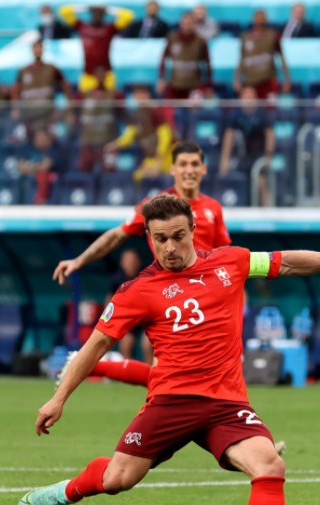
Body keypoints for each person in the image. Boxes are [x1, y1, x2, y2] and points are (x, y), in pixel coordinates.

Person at [17, 194, 320, 505]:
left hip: (226, 404)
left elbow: (288, 261)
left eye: (178, 236)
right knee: (117, 480)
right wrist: (58, 398)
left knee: (269, 464)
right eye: (160, 239)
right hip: (170, 403)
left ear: (193, 230)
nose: (170, 248)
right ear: (148, 237)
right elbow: (96, 345)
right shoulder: (136, 290)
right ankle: (66, 491)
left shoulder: (231, 262)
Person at [53, 141, 229, 387]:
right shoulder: (155, 206)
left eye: (194, 164)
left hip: (205, 295)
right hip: (169, 290)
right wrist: (79, 260)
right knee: (165, 365)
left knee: (178, 374)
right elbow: (117, 235)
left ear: (204, 169)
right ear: (172, 169)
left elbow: (225, 257)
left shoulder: (213, 209)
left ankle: (97, 367)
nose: (189, 170)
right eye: (183, 164)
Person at [58, 4, 135, 93]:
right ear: (91, 14)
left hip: (107, 75)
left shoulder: (109, 29)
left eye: (100, 13)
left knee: (110, 100)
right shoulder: (82, 27)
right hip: (88, 75)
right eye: (95, 13)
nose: (97, 15)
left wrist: (108, 9)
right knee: (83, 100)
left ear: (103, 15)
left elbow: (128, 16)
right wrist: (85, 8)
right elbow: (63, 12)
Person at [219, 86, 274, 206]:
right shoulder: (236, 115)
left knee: (261, 181)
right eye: (246, 97)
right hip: (242, 156)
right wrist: (225, 160)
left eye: (251, 97)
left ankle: (268, 208)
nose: (248, 100)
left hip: (259, 156)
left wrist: (268, 156)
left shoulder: (262, 114)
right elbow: (229, 137)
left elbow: (270, 135)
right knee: (232, 177)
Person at [107, 84, 174, 182]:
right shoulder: (135, 114)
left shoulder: (156, 111)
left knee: (149, 178)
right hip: (151, 157)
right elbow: (129, 135)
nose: (140, 98)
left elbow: (165, 137)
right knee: (137, 176)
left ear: (148, 95)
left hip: (166, 155)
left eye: (143, 94)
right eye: (137, 95)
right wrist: (115, 144)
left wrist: (159, 161)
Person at [11, 40, 73, 133]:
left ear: (43, 50)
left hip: (48, 113)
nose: (38, 50)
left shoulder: (51, 69)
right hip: (29, 113)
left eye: (40, 48)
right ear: (32, 50)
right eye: (35, 48)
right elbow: (15, 90)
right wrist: (15, 109)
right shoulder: (23, 70)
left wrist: (69, 106)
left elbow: (65, 85)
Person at [74, 66, 123, 172]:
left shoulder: (115, 95)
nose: (100, 77)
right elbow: (73, 111)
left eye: (103, 74)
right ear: (94, 77)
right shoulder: (83, 95)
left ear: (106, 77)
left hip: (108, 143)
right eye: (98, 74)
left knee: (110, 171)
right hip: (88, 141)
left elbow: (123, 114)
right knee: (83, 171)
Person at [233, 9, 292, 98]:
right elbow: (242, 59)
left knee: (270, 106)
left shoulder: (273, 36)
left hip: (269, 82)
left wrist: (287, 79)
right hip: (251, 82)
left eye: (262, 17)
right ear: (253, 20)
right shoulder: (245, 37)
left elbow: (282, 58)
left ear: (267, 20)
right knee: (249, 104)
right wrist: (236, 79)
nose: (260, 20)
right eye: (258, 18)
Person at [157, 12, 213, 101]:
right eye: (185, 22)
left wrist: (208, 85)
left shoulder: (200, 41)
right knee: (169, 107)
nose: (188, 25)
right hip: (175, 84)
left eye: (191, 22)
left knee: (196, 106)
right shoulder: (172, 38)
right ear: (181, 23)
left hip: (194, 85)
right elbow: (163, 59)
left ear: (194, 24)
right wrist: (161, 78)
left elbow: (207, 64)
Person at [108, 248, 150, 361]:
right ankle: (129, 369)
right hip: (130, 319)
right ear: (122, 263)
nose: (131, 265)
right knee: (126, 343)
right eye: (128, 262)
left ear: (139, 262)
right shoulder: (117, 279)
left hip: (148, 317)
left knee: (147, 343)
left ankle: (150, 370)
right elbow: (110, 300)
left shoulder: (147, 276)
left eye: (133, 261)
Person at [18, 128, 65, 204]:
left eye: (43, 139)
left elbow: (45, 167)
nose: (41, 141)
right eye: (38, 139)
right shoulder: (29, 149)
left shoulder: (55, 149)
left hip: (52, 187)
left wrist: (30, 167)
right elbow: (21, 167)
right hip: (31, 185)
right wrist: (37, 167)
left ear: (48, 139)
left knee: (43, 175)